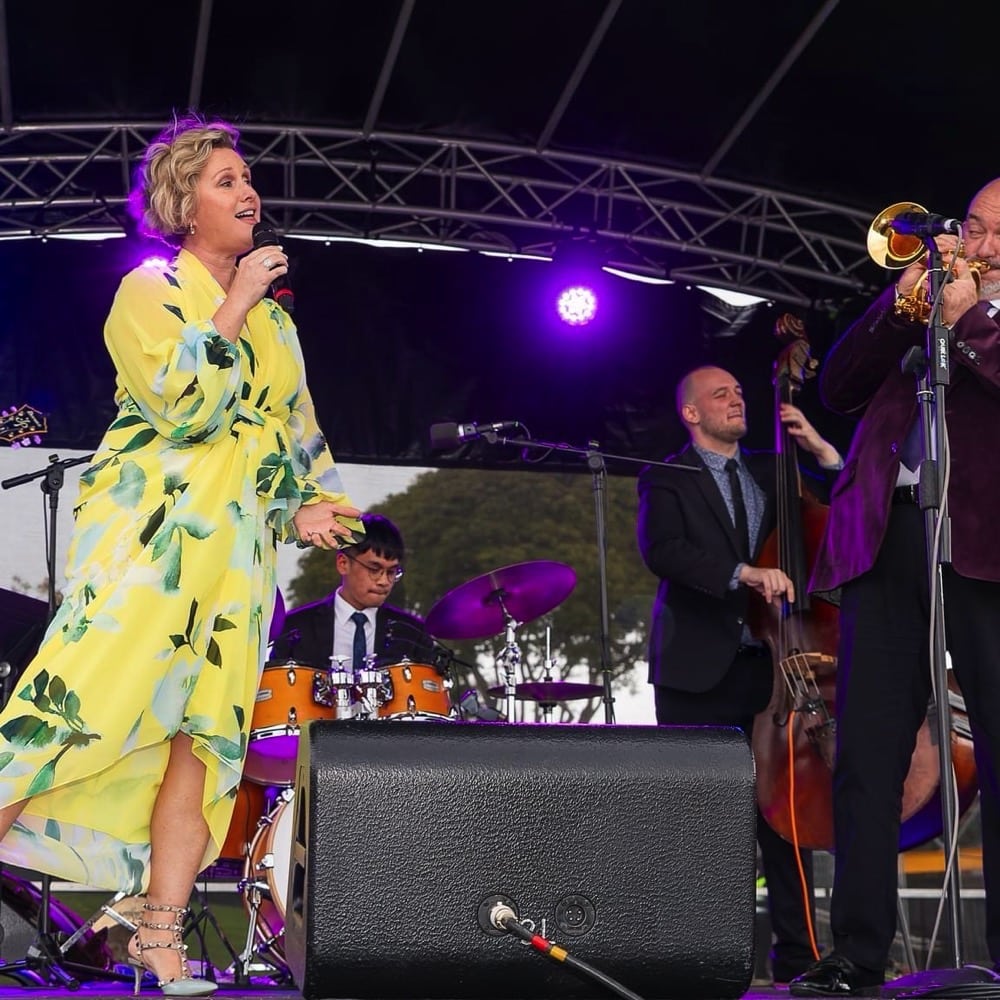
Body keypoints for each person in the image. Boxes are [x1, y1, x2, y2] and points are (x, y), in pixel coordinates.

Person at [0, 113, 362, 996]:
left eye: (248, 178)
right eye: (227, 181)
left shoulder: (280, 329)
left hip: (235, 558)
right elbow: (185, 404)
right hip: (150, 544)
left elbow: (293, 428)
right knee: (62, 718)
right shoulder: (147, 289)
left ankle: (158, 939)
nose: (249, 193)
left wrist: (314, 501)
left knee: (201, 747)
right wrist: (234, 303)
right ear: (183, 204)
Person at [790, 180, 1000, 996]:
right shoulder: (930, 298)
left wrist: (967, 321)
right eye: (970, 225)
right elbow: (838, 387)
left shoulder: (974, 314)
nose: (969, 242)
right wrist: (900, 304)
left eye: (987, 233)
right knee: (866, 752)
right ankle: (857, 952)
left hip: (986, 546)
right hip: (889, 536)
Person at [636, 364, 844, 985]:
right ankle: (703, 964)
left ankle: (800, 960)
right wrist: (743, 573)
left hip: (775, 668)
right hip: (696, 671)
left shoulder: (772, 469)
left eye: (739, 391)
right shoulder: (666, 475)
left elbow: (841, 515)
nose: (737, 399)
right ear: (691, 413)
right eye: (719, 394)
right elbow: (663, 550)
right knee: (701, 824)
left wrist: (823, 453)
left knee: (788, 818)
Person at [270, 512, 444, 715]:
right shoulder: (295, 627)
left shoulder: (411, 632)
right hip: (316, 740)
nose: (384, 581)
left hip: (389, 743)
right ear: (343, 563)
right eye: (374, 568)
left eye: (392, 572)